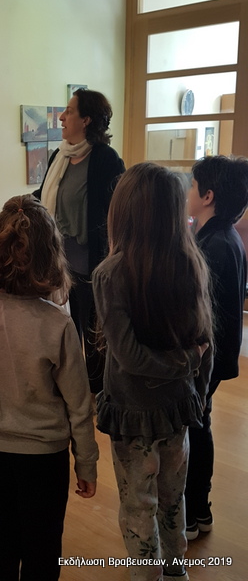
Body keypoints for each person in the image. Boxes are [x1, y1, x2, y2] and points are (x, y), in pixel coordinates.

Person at [0, 194, 99, 581]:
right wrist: (86, 462)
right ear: (50, 259)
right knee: (41, 553)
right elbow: (79, 405)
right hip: (43, 461)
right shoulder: (58, 324)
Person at [92, 163, 213, 581]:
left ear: (122, 211)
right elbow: (204, 346)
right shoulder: (190, 261)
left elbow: (129, 358)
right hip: (177, 407)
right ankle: (176, 572)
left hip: (134, 413)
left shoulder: (110, 274)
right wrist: (195, 383)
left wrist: (191, 369)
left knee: (139, 507)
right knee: (172, 500)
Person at [33, 88, 125, 393]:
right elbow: (44, 195)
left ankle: (98, 390)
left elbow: (117, 209)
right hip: (59, 260)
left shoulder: (105, 159)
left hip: (92, 263)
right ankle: (76, 384)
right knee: (67, 328)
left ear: (86, 120)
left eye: (69, 111)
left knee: (94, 332)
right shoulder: (59, 156)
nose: (61, 117)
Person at [185, 155, 248, 540]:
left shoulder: (215, 245)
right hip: (215, 355)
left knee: (195, 427)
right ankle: (199, 510)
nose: (188, 193)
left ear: (207, 196)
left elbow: (199, 315)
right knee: (200, 423)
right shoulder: (223, 236)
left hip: (207, 357)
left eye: (193, 187)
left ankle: (193, 512)